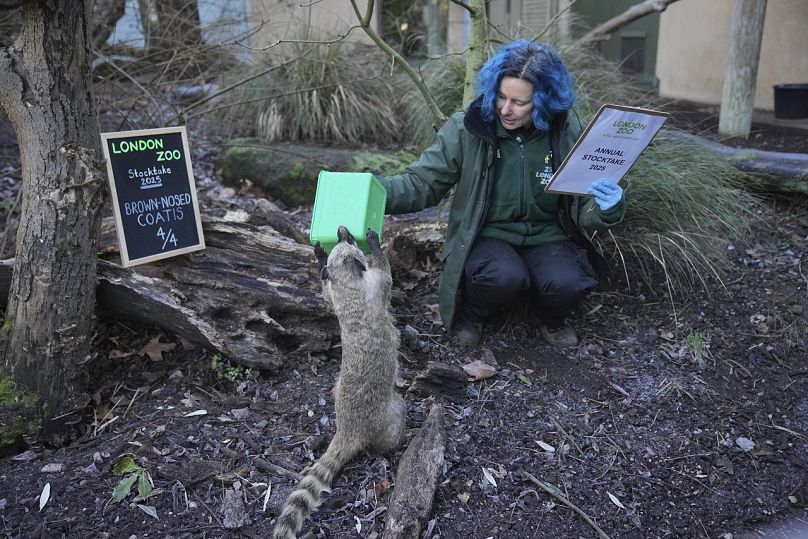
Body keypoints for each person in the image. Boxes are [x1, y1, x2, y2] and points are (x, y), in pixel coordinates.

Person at [376, 40, 626, 349]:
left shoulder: (566, 131)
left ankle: (550, 319)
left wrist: (607, 207)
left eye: (520, 102)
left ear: (545, 102)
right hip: (487, 236)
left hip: (546, 236)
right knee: (504, 277)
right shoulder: (467, 129)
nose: (505, 109)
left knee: (569, 281)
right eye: (501, 97)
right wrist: (371, 192)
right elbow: (421, 183)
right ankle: (473, 315)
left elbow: (583, 205)